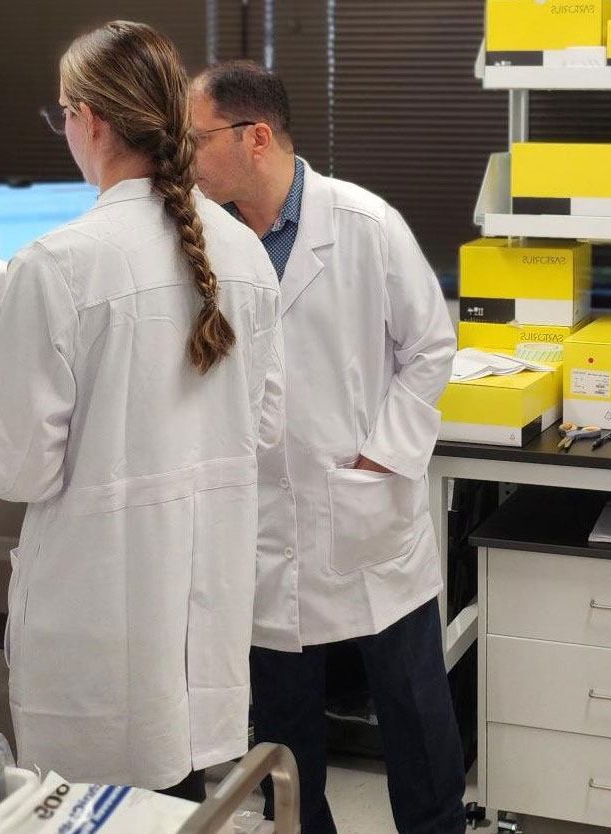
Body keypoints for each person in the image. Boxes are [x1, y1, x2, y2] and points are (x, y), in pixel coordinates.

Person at [0, 23, 285, 799]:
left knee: (87, 805)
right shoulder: (242, 251)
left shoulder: (64, 262)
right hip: (200, 605)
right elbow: (262, 423)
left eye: (61, 116)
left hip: (97, 617)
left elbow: (18, 470)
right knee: (169, 797)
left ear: (91, 121)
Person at [189, 61, 462, 834]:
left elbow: (431, 347)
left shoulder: (366, 224)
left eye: (196, 138)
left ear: (256, 138)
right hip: (265, 527)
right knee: (283, 728)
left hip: (367, 516)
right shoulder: (204, 235)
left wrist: (384, 455)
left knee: (413, 712)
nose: (184, 155)